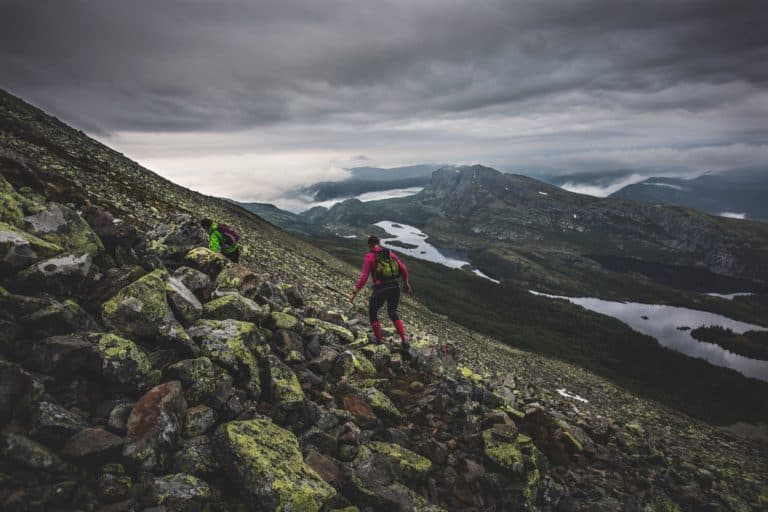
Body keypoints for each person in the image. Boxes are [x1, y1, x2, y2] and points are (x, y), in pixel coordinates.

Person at [349, 235, 411, 347]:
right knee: (392, 313)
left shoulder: (369, 256)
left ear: (369, 244)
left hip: (380, 289)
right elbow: (404, 269)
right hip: (395, 287)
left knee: (373, 313)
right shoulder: (389, 253)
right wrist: (406, 283)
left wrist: (355, 292)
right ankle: (404, 341)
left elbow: (364, 277)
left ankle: (379, 341)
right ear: (379, 242)